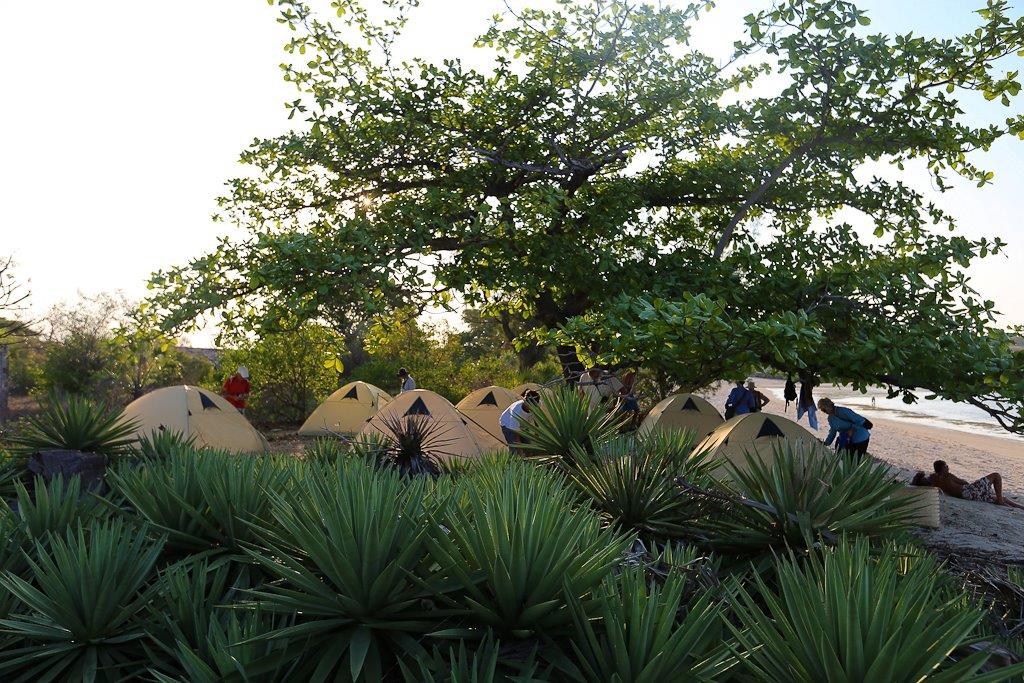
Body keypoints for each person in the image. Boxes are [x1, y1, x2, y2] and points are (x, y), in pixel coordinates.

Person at [912, 460, 1024, 509]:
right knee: (996, 476)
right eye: (946, 466)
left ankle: (1018, 507)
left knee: (1001, 497)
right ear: (942, 468)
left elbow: (923, 480)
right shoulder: (947, 476)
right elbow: (964, 482)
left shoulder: (933, 480)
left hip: (967, 495)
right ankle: (1001, 502)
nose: (948, 467)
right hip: (968, 491)